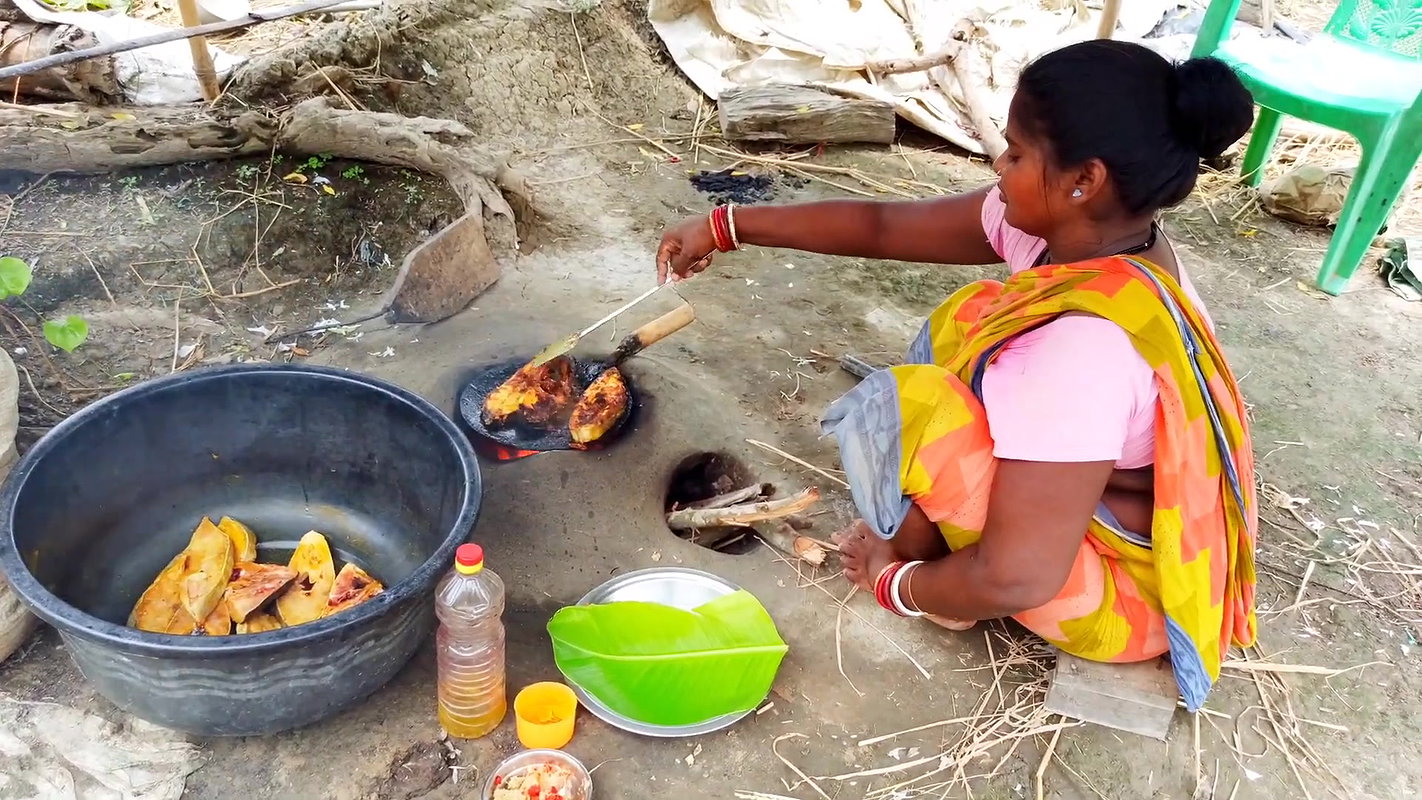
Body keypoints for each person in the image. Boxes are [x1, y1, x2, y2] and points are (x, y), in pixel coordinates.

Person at [655, 40, 1260, 709]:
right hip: (1085, 510)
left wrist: (899, 580)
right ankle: (937, 541)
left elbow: (1016, 578)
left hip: (1124, 596)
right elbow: (883, 225)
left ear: (1083, 180)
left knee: (920, 407)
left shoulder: (1079, 352)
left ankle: (945, 589)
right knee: (971, 317)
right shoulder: (1093, 236)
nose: (998, 165)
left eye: (1017, 153)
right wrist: (726, 224)